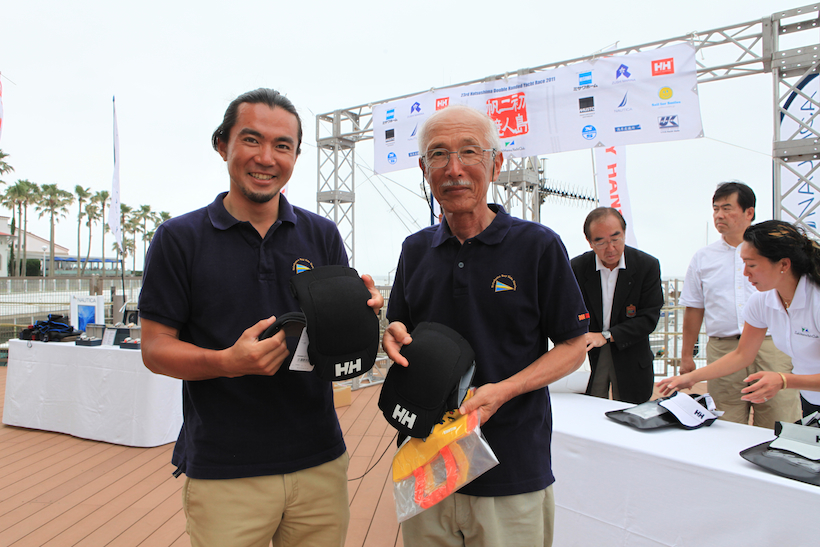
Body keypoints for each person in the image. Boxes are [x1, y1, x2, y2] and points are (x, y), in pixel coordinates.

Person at [138, 88, 383, 547]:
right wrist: (226, 363)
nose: (266, 158)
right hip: (225, 471)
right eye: (251, 140)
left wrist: (360, 317)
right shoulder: (179, 238)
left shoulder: (322, 234)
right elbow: (154, 349)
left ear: (295, 156)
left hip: (320, 463)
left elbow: (334, 347)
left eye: (282, 145)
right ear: (222, 145)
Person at [382, 104, 589, 547]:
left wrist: (505, 390)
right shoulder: (414, 250)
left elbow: (574, 346)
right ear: (424, 169)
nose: (454, 168)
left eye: (469, 151)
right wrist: (391, 333)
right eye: (439, 154)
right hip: (425, 460)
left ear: (496, 164)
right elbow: (400, 325)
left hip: (510, 464)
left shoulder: (537, 245)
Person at [658, 220, 820, 417]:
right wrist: (691, 378)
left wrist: (784, 380)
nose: (745, 273)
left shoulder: (816, 301)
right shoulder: (761, 302)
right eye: (743, 263)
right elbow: (742, 355)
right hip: (811, 399)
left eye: (751, 265)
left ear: (784, 264)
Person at [678, 183, 800, 427]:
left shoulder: (773, 254)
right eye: (715, 209)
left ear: (749, 212)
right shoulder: (703, 258)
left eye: (727, 208)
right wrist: (686, 356)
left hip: (772, 346)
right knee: (725, 422)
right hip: (724, 348)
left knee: (779, 419)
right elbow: (694, 307)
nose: (719, 215)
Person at [570, 207, 663, 404]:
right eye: (601, 242)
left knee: (632, 414)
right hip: (588, 356)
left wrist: (606, 335)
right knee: (587, 410)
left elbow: (648, 318)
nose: (610, 248)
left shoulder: (647, 266)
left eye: (615, 238)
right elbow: (567, 312)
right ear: (589, 242)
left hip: (631, 354)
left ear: (624, 233)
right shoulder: (576, 268)